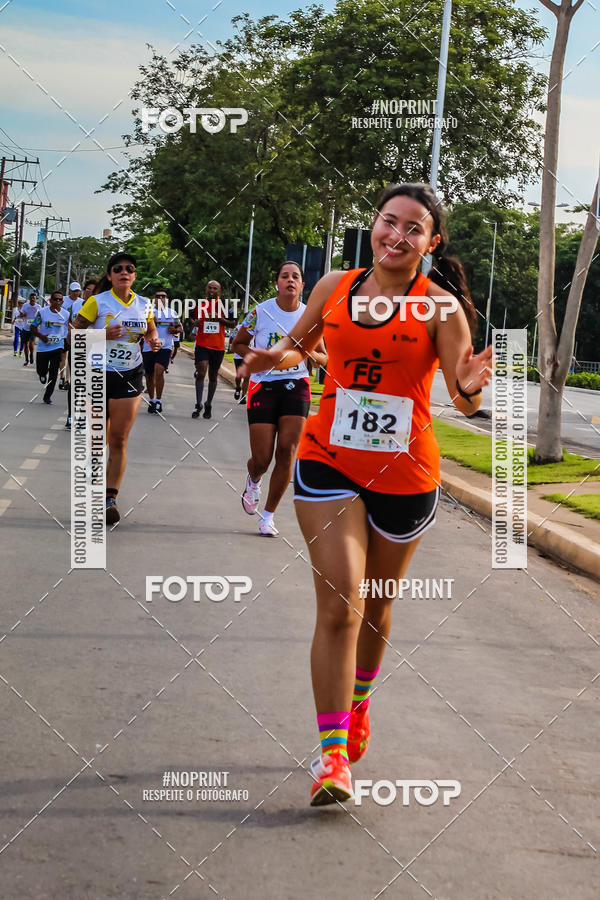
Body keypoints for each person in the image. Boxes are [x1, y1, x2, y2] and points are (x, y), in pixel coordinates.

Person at [239, 183, 493, 805]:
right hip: (329, 462)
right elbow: (300, 347)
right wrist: (269, 356)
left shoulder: (441, 309)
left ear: (431, 243)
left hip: (406, 476)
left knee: (376, 607)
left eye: (413, 228)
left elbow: (464, 398)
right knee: (340, 602)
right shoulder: (336, 287)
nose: (396, 235)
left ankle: (359, 703)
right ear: (372, 225)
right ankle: (332, 758)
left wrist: (467, 385)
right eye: (389, 221)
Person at [234, 261, 327, 537]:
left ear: (302, 285)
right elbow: (237, 343)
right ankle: (254, 480)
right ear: (277, 282)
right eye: (284, 275)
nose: (290, 280)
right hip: (263, 386)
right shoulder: (260, 312)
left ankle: (268, 516)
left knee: (287, 451)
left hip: (296, 385)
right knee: (262, 459)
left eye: (295, 276)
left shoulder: (310, 316)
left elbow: (325, 357)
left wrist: (311, 355)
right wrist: (255, 358)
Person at [72, 252, 160, 524]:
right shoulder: (96, 302)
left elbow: (151, 331)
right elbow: (74, 333)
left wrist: (154, 341)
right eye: (118, 269)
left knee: (119, 439)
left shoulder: (144, 304)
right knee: (97, 441)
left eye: (129, 269)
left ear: (134, 275)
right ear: (110, 275)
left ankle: (110, 498)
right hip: (97, 374)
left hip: (130, 375)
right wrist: (101, 334)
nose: (124, 272)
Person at [191, 280, 236, 419]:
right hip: (202, 344)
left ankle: (208, 403)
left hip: (218, 346)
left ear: (219, 291)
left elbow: (234, 323)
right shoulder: (199, 304)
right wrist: (194, 323)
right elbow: (190, 319)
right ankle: (198, 403)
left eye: (215, 288)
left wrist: (221, 320)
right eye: (210, 287)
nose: (212, 290)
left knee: (213, 375)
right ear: (206, 289)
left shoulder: (226, 305)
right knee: (201, 371)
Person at [142, 289, 182, 414]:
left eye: (163, 296)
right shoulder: (148, 312)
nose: (160, 299)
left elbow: (179, 327)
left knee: (159, 371)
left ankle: (159, 400)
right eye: (158, 296)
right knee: (149, 375)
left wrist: (174, 330)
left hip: (165, 347)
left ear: (167, 299)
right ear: (154, 299)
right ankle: (152, 400)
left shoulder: (172, 313)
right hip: (149, 346)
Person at [30, 291, 69, 404]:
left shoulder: (66, 314)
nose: (57, 301)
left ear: (62, 302)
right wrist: (41, 336)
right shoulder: (42, 312)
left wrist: (68, 338)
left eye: (60, 299)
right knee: (41, 370)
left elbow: (70, 327)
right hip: (43, 347)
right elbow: (33, 327)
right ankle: (42, 374)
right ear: (50, 301)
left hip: (58, 347)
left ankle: (47, 396)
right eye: (55, 299)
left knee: (53, 372)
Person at [58, 282, 81, 390]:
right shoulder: (63, 300)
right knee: (63, 356)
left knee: (71, 357)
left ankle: (67, 380)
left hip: (75, 333)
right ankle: (62, 377)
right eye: (74, 291)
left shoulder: (81, 303)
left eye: (78, 291)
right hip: (62, 332)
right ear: (69, 291)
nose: (76, 293)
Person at [18, 293, 41, 366]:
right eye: (31, 298)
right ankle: (26, 359)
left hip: (33, 328)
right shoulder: (25, 305)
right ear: (29, 298)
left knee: (31, 344)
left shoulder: (38, 307)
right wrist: (23, 315)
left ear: (35, 299)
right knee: (26, 345)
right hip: (25, 328)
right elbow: (20, 315)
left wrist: (38, 322)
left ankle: (31, 355)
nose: (32, 299)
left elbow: (41, 316)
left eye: (34, 298)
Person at [230, 322, 250, 403]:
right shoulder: (238, 328)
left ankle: (243, 397)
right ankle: (238, 387)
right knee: (239, 376)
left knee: (247, 377)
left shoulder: (257, 328)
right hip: (239, 356)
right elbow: (231, 340)